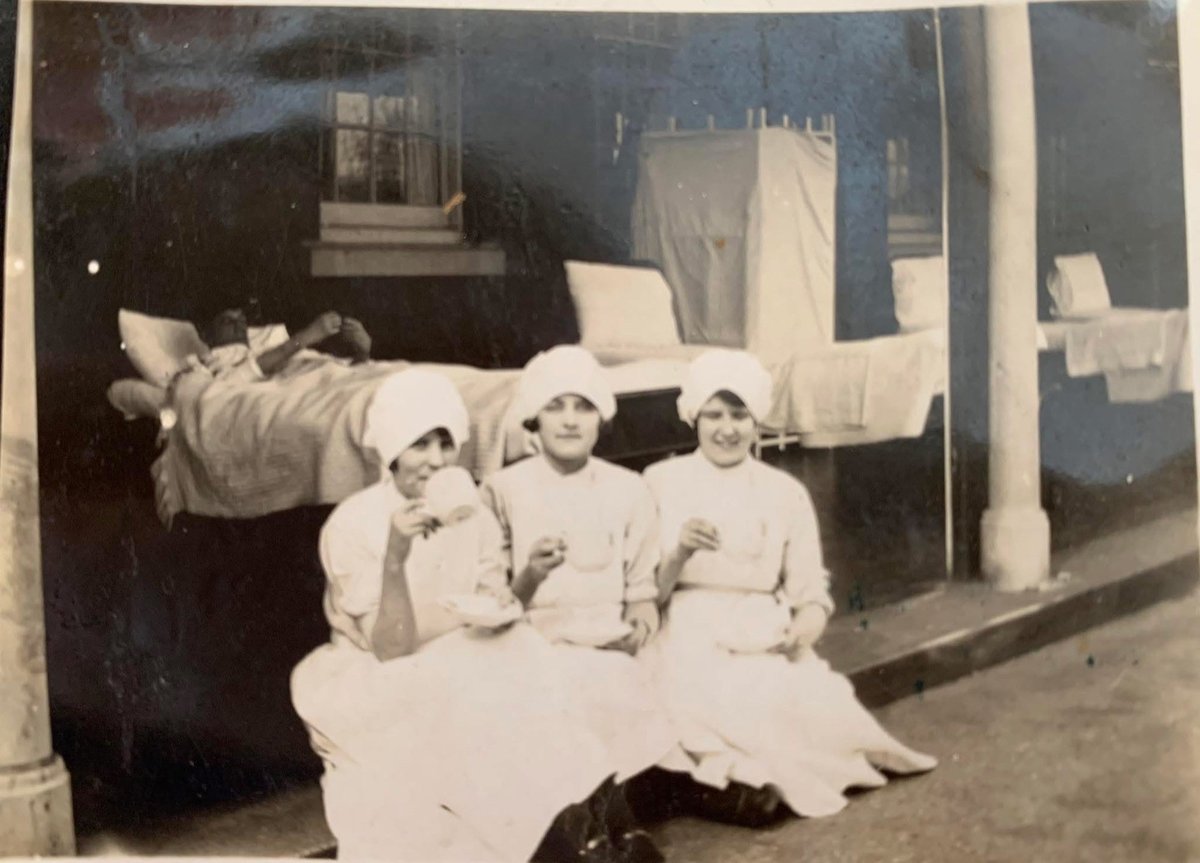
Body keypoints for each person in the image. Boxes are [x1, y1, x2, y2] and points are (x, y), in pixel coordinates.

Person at [290, 369, 636, 862]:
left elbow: (496, 603)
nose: (435, 461)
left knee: (535, 661)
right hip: (379, 672)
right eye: (419, 444)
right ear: (389, 450)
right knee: (471, 698)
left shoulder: (468, 509)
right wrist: (395, 554)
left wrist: (528, 578)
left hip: (460, 648)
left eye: (446, 444)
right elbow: (390, 648)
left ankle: (598, 826)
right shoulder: (354, 523)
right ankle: (558, 843)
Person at [642, 348, 937, 827]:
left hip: (762, 631)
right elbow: (645, 593)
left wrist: (804, 628)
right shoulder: (660, 481)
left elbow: (808, 590)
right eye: (713, 415)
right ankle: (733, 788)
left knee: (813, 710)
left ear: (757, 419)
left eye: (739, 415)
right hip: (685, 631)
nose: (726, 429)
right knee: (715, 705)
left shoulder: (784, 492)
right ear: (693, 418)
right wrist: (678, 553)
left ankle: (745, 786)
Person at [480, 345, 678, 863]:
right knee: (560, 686)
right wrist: (530, 575)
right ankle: (603, 823)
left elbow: (641, 593)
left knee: (615, 677)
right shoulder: (501, 490)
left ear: (601, 419)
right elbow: (491, 601)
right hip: (531, 641)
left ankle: (595, 821)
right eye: (556, 406)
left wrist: (639, 624)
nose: (570, 420)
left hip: (607, 640)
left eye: (583, 407)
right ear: (533, 418)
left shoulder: (629, 490)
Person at [199, 307, 372, 382]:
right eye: (228, 321)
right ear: (207, 336)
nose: (239, 327)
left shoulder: (264, 347)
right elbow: (240, 376)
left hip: (341, 379)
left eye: (242, 321)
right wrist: (307, 336)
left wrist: (363, 350)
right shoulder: (217, 358)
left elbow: (344, 373)